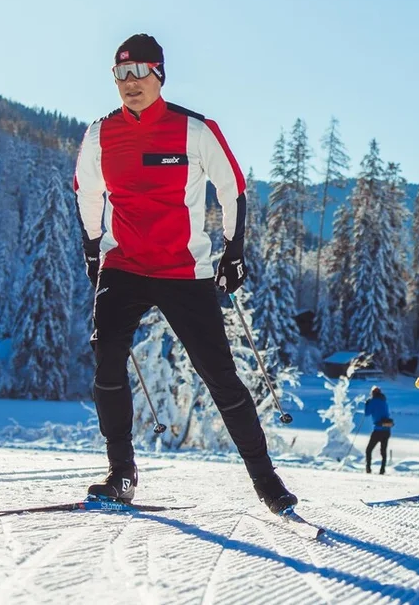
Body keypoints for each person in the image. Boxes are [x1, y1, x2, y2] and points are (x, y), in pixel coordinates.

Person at [73, 34, 296, 514]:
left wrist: (233, 250)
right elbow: (87, 191)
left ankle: (266, 481)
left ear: (159, 74)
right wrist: (93, 246)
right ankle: (121, 474)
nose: (130, 84)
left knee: (219, 375)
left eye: (139, 73)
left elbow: (231, 187)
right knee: (107, 358)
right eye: (121, 75)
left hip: (183, 270)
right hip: (124, 263)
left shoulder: (194, 130)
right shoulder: (100, 134)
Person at [363, 386, 393, 474]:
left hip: (378, 430)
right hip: (387, 429)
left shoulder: (372, 402)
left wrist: (367, 404)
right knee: (383, 451)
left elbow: (367, 413)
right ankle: (382, 469)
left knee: (369, 450)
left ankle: (368, 468)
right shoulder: (384, 401)